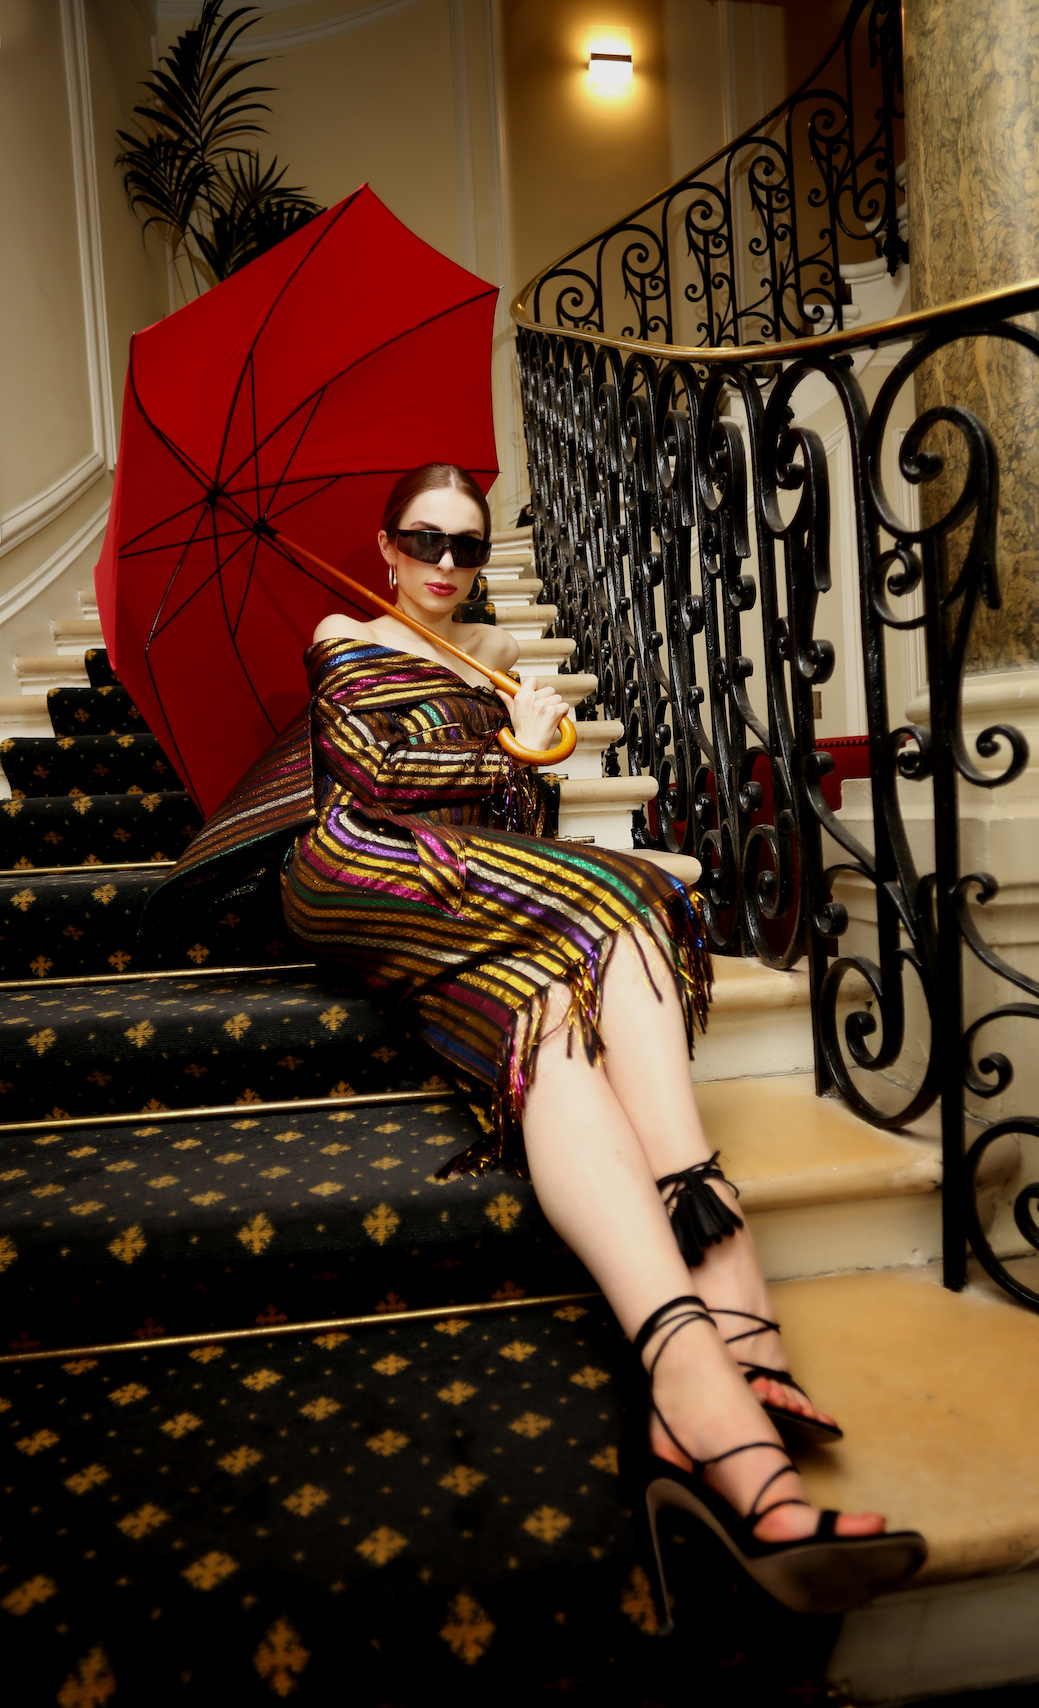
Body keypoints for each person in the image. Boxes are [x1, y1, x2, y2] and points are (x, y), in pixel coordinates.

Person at [153, 462, 926, 1620]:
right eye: (424, 540)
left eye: (466, 546)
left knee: (552, 1014)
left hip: (472, 887)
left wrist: (536, 757)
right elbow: (374, 774)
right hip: (355, 865)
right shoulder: (343, 633)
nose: (446, 565)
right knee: (631, 894)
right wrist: (513, 751)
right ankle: (724, 1260)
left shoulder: (496, 656)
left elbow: (506, 830)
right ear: (385, 546)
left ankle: (689, 1391)